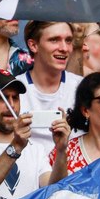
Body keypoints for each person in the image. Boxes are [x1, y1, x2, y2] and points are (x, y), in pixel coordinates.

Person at [17, 21, 83, 153]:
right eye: (54, 40)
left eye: (68, 40)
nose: (64, 48)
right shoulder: (14, 89)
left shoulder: (82, 87)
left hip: (73, 163)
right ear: (33, 45)